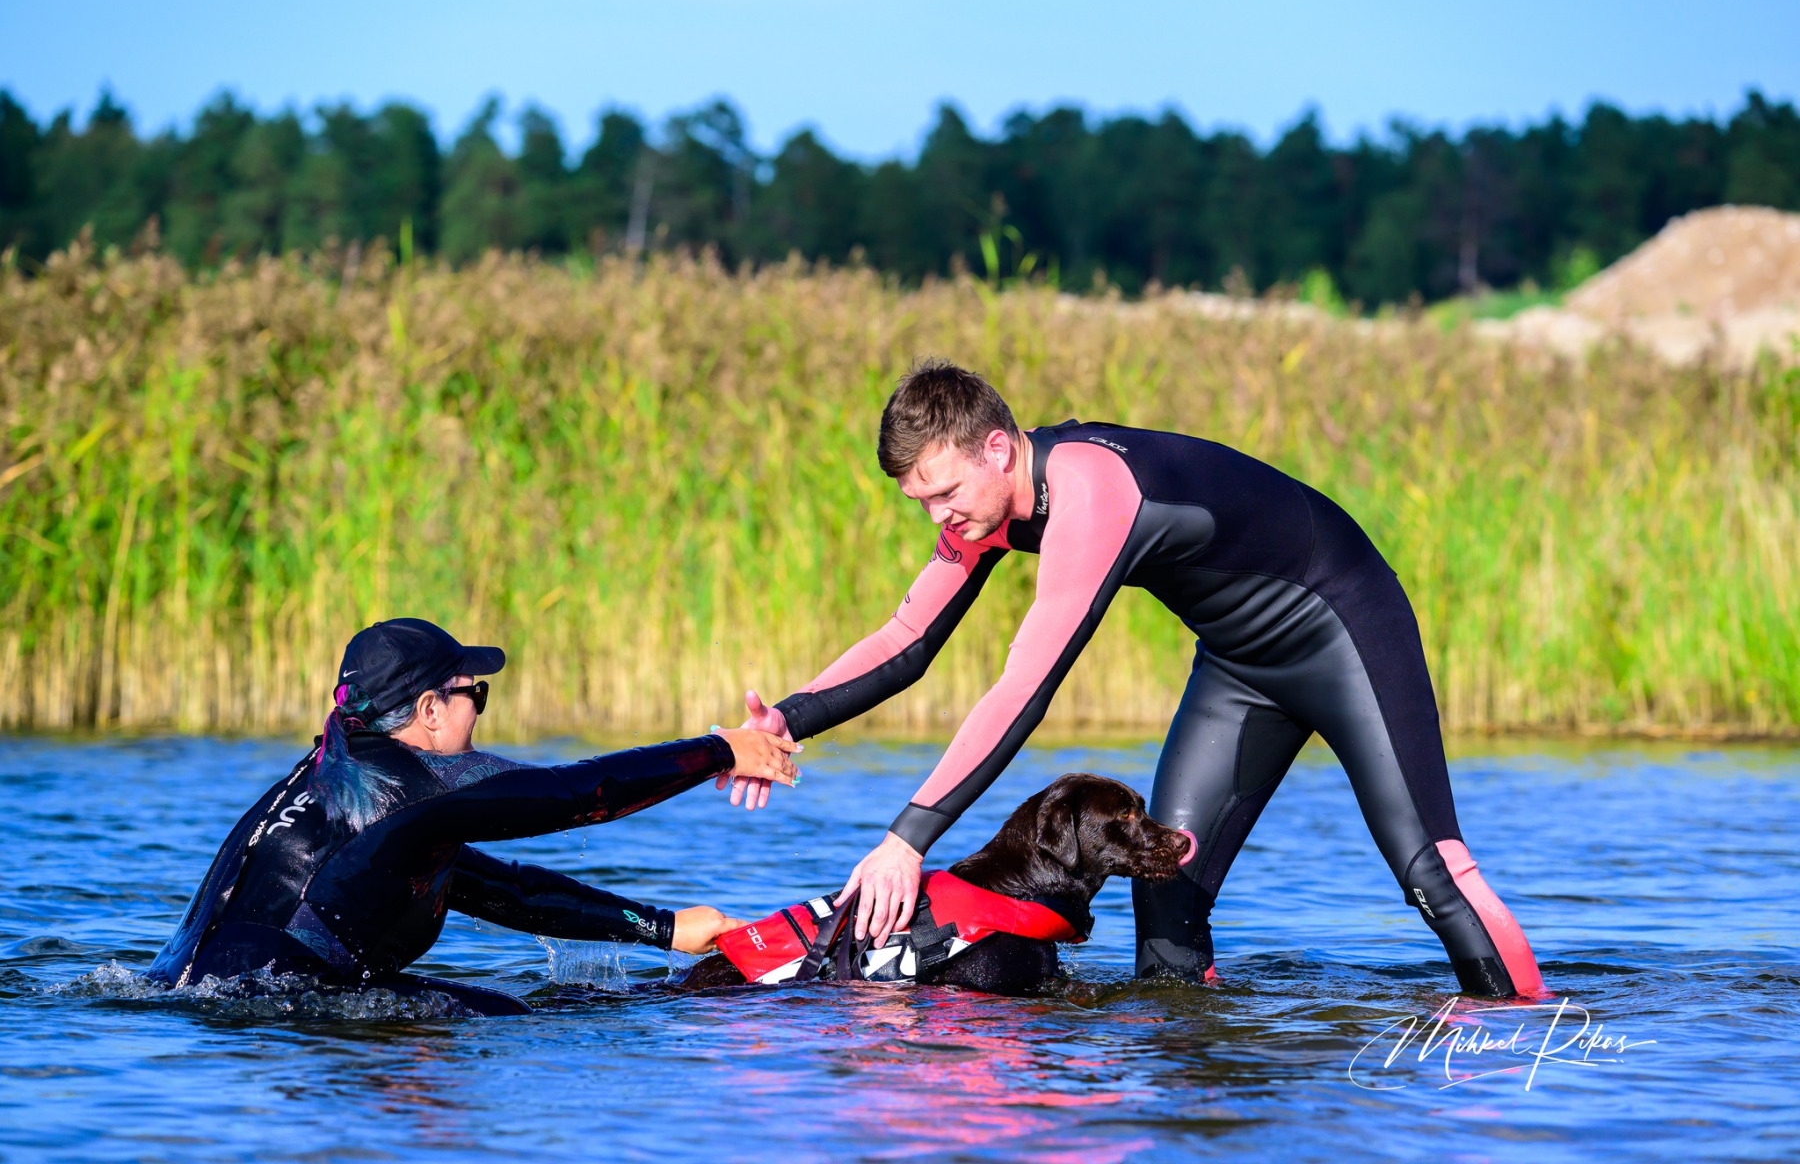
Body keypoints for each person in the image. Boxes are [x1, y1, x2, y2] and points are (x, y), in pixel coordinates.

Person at [732, 360, 1542, 998]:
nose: (938, 517)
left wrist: (907, 840)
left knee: (1429, 870)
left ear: (998, 449)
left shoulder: (1091, 490)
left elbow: (1024, 688)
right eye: (921, 502)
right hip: (1238, 666)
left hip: (1343, 627)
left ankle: (1521, 1046)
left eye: (944, 493)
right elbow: (908, 638)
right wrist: (788, 721)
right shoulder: (986, 507)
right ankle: (1192, 1082)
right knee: (1165, 885)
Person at [148, 617, 798, 1015]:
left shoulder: (334, 778)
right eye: (474, 694)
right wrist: (720, 751)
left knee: (515, 1011)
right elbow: (582, 793)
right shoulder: (416, 786)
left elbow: (502, 889)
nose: (480, 711)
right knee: (514, 1017)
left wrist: (665, 928)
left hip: (184, 996)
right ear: (429, 710)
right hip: (270, 1006)